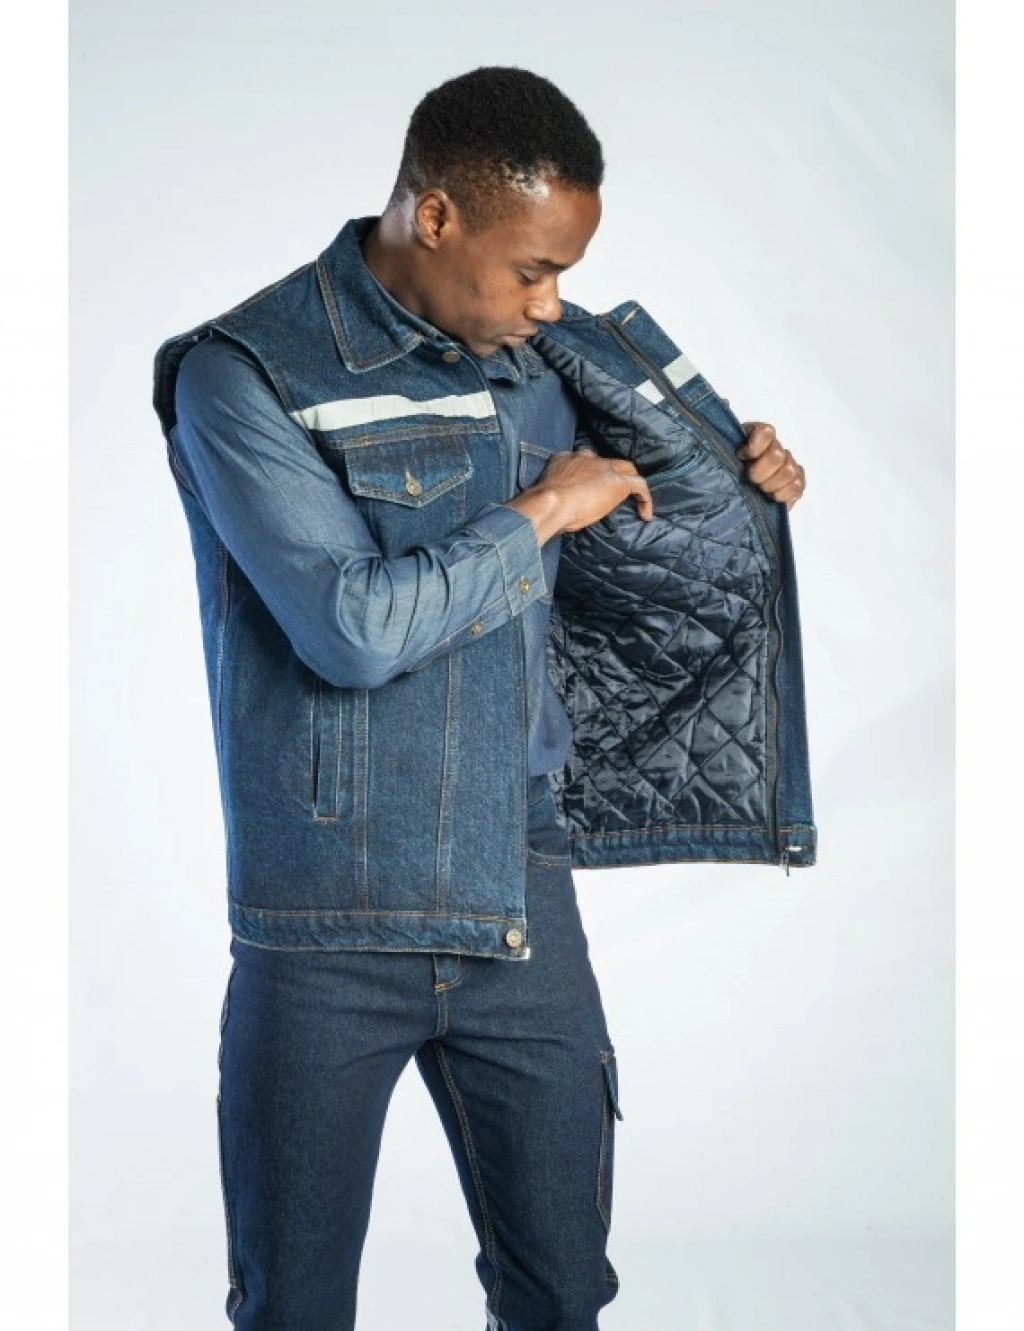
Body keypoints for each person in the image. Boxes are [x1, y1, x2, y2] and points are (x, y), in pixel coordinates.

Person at [153, 65, 810, 1331]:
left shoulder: (545, 357)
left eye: (565, 274)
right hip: (327, 914)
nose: (550, 302)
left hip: (519, 885)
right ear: (436, 214)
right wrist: (542, 505)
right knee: (294, 1306)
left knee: (561, 1293)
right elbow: (352, 628)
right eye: (533, 270)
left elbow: (651, 546)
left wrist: (742, 484)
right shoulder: (242, 376)